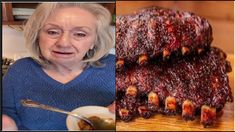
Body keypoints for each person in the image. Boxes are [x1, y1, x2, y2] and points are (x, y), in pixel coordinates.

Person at [2, 3, 115, 130]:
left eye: (80, 34)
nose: (64, 43)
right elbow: (7, 114)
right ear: (38, 35)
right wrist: (7, 123)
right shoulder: (19, 71)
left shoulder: (115, 68)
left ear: (94, 41)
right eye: (52, 32)